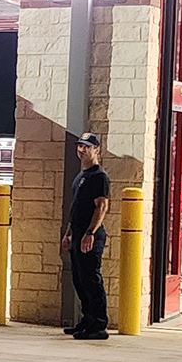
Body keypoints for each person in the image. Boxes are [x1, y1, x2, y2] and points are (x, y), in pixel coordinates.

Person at [66, 131, 111, 340]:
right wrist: (69, 233)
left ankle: (98, 325)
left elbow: (101, 207)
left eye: (87, 147)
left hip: (90, 236)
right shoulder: (81, 175)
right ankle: (87, 320)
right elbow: (76, 208)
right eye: (80, 146)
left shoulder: (99, 176)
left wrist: (90, 233)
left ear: (96, 150)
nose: (82, 150)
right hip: (77, 234)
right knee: (79, 279)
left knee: (92, 279)